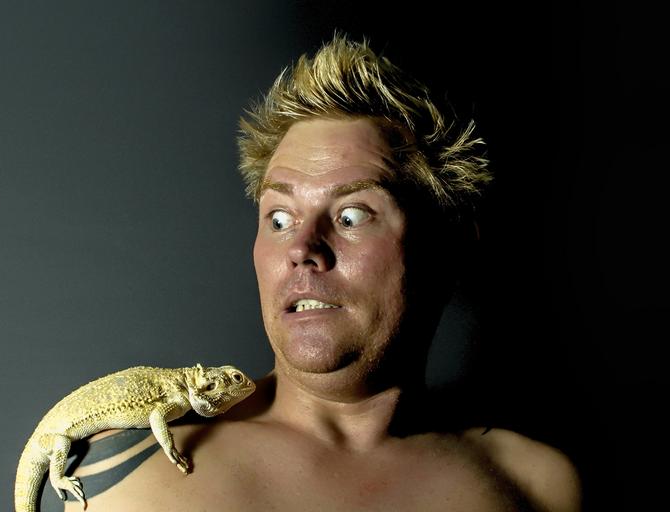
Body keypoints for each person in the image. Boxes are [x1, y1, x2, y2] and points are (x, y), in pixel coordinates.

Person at [44, 34, 582, 511]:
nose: (302, 248)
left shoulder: (539, 486)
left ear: (448, 246)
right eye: (279, 218)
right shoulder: (116, 475)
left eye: (352, 216)